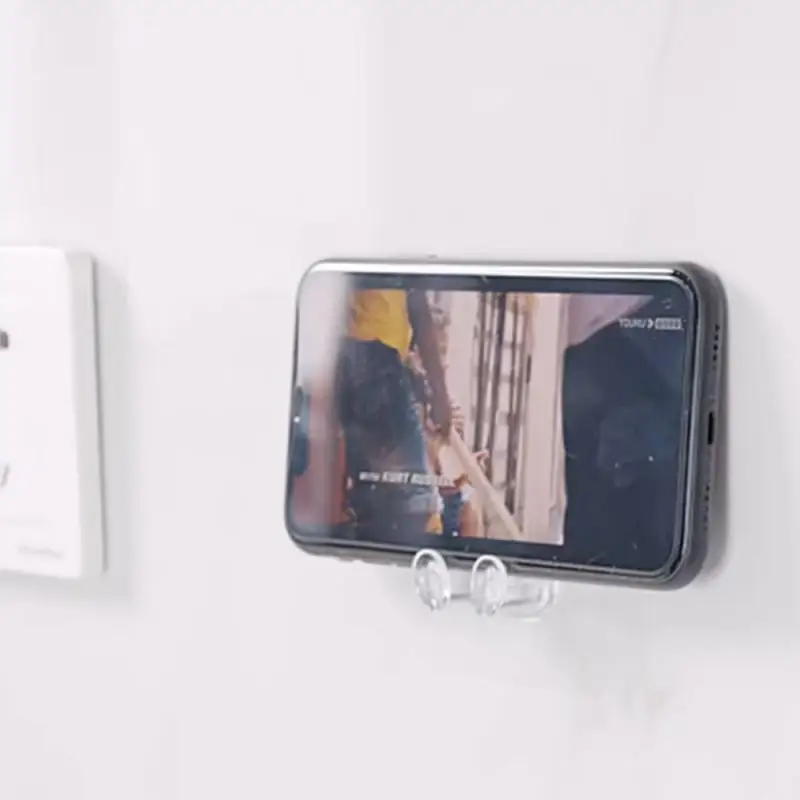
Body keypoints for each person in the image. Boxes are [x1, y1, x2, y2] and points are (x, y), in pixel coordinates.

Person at [336, 288, 452, 540]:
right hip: (376, 356)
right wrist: (440, 393)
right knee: (415, 505)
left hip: (349, 359)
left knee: (374, 500)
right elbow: (418, 306)